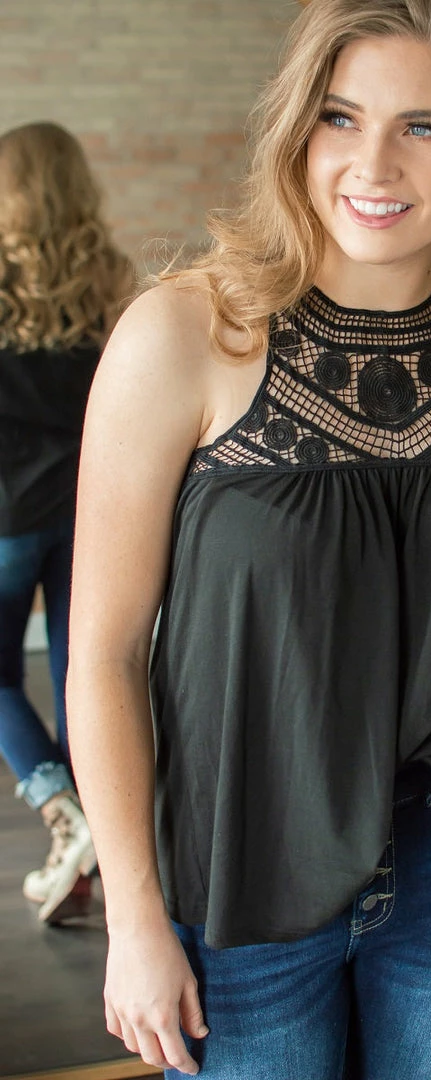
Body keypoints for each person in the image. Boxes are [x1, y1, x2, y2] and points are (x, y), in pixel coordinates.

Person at [68, 0, 431, 1076]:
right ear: (297, 127)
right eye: (340, 117)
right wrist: (133, 917)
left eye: (424, 126)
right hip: (241, 871)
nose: (373, 163)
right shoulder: (184, 334)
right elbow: (102, 654)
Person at [0, 121, 133, 923]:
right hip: (89, 510)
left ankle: (62, 811)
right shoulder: (109, 280)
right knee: (82, 677)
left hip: (8, 516)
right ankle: (93, 854)